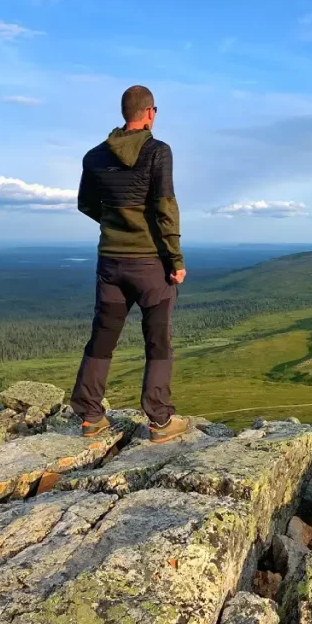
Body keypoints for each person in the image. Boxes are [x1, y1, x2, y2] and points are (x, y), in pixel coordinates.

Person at [69, 85, 189, 443]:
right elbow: (165, 206)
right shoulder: (157, 151)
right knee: (158, 342)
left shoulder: (94, 156)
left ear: (125, 112)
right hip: (151, 264)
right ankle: (160, 421)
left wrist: (115, 224)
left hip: (110, 262)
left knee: (102, 338)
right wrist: (175, 258)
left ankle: (90, 416)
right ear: (150, 112)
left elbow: (85, 204)